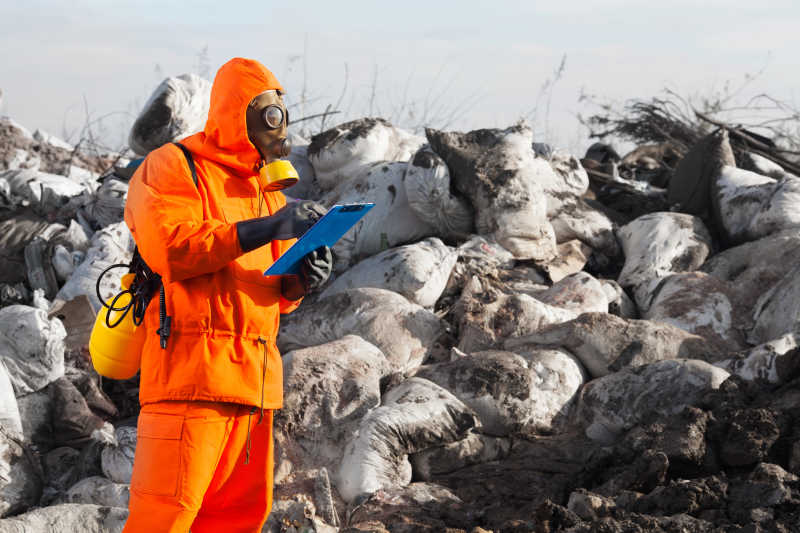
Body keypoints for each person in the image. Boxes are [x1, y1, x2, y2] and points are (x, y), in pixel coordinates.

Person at [121, 57, 332, 532]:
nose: (276, 125)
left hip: (254, 388)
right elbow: (171, 250)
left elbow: (267, 292)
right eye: (267, 113)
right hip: (190, 382)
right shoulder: (174, 166)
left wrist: (300, 280)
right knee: (163, 520)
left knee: (236, 522)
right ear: (239, 113)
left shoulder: (267, 191)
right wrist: (268, 227)